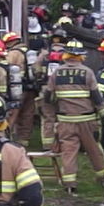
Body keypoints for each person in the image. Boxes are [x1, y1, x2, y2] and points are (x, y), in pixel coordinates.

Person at [42, 40, 104, 194]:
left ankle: (69, 183)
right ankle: (103, 178)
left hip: (66, 121)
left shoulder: (56, 73)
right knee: (94, 150)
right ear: (80, 56)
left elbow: (48, 97)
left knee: (68, 152)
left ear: (66, 55)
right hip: (87, 120)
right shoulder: (87, 72)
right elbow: (96, 97)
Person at [32, 22, 70, 150]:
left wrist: (40, 58)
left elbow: (35, 72)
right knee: (63, 118)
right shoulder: (69, 56)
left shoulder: (45, 55)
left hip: (46, 91)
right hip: (64, 92)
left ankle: (48, 145)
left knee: (48, 118)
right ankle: (62, 144)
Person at [4, 32, 37, 144]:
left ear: (12, 42)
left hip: (17, 88)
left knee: (13, 113)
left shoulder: (13, 53)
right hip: (31, 87)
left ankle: (5, 137)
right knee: (27, 114)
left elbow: (6, 67)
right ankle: (24, 139)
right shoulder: (30, 53)